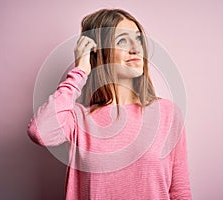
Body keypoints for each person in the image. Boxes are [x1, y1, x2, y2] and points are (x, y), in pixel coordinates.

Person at [27, 8, 192, 200]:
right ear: (98, 50)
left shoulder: (167, 114)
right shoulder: (78, 118)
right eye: (122, 40)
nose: (135, 48)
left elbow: (180, 191)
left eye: (138, 39)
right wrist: (80, 70)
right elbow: (40, 132)